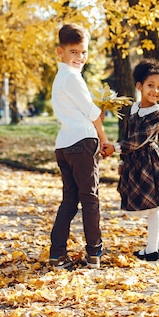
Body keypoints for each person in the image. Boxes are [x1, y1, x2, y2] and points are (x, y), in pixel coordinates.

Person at [49, 23, 111, 270]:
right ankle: (94, 252)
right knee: (90, 200)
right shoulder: (72, 77)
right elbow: (91, 112)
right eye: (73, 52)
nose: (80, 57)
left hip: (64, 144)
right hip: (81, 144)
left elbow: (84, 110)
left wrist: (94, 115)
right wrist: (104, 139)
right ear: (60, 52)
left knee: (70, 201)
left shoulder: (61, 78)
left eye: (83, 52)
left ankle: (57, 254)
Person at [103, 58, 159, 262]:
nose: (155, 91)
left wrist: (116, 148)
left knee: (153, 207)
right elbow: (128, 133)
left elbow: (139, 138)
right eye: (150, 85)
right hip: (134, 161)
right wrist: (121, 161)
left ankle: (152, 250)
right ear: (139, 86)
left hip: (149, 162)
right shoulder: (135, 108)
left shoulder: (157, 112)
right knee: (156, 206)